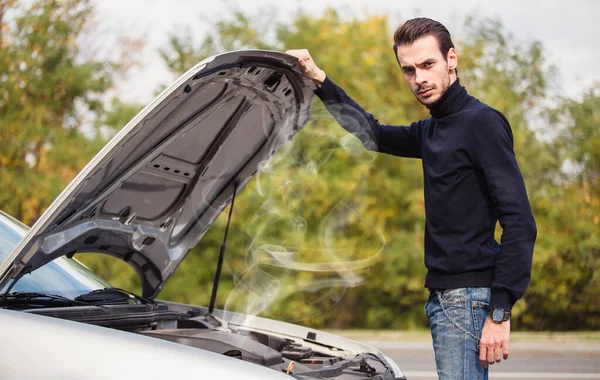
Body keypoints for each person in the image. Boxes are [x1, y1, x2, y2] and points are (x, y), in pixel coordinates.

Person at [286, 17, 537, 380]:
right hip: (444, 296)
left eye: (427, 64)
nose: (418, 78)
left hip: (467, 297)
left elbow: (519, 220)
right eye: (408, 70)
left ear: (452, 59)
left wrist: (500, 311)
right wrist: (319, 79)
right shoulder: (431, 130)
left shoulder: (481, 122)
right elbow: (371, 133)